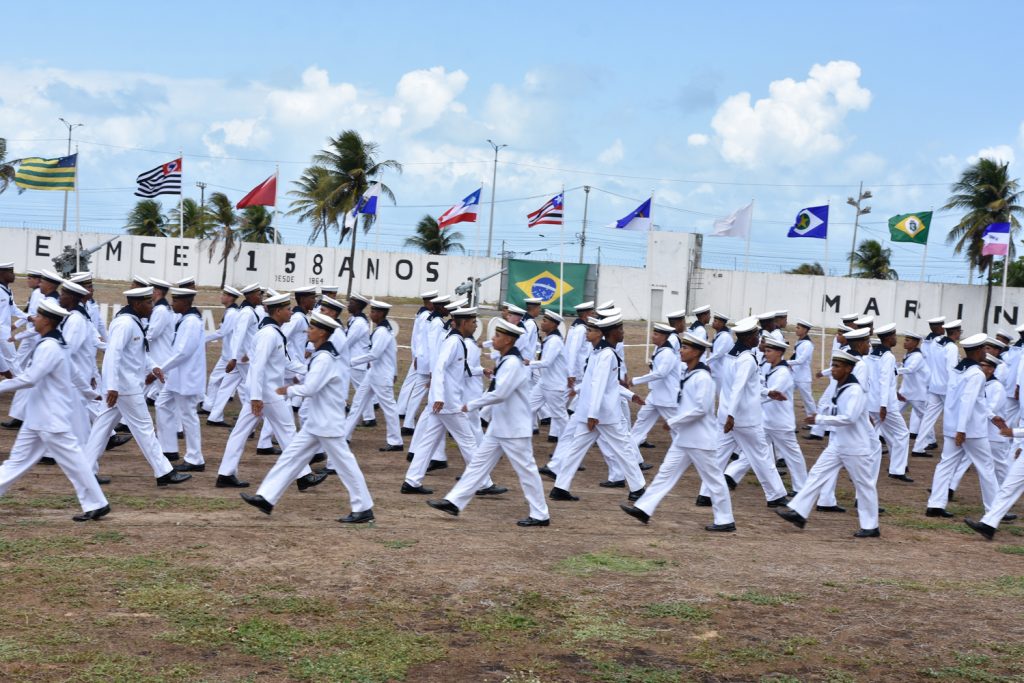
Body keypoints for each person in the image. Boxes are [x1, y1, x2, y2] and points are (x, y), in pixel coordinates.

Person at [241, 312, 374, 523]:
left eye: (312, 328)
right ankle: (266, 497)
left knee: (346, 466)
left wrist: (288, 390)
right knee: (290, 457)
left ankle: (364, 508)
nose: (307, 331)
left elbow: (311, 388)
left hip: (328, 423)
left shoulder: (324, 358)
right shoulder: (323, 355)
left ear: (322, 333)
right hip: (317, 422)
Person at [426, 319, 550, 527]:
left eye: (497, 336)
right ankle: (454, 502)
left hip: (514, 429)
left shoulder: (512, 363)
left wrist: (472, 404)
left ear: (509, 340)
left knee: (526, 471)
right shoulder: (506, 360)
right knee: (477, 465)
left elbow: (500, 394)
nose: (493, 339)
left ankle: (540, 514)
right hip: (500, 426)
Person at [0, 299, 111, 521]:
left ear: (48, 321)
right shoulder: (57, 343)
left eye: (39, 317)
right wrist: (92, 394)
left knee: (75, 462)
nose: (35, 320)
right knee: (16, 462)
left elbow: (31, 378)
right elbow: (75, 374)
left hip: (50, 418)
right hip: (39, 417)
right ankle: (97, 503)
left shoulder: (50, 346)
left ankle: (97, 503)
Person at [620, 332, 736, 531]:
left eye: (686, 348)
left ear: (698, 352)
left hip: (700, 438)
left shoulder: (704, 378)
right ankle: (644, 508)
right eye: (682, 347)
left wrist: (673, 421)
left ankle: (725, 520)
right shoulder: (688, 372)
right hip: (685, 438)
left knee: (714, 480)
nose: (681, 351)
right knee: (665, 473)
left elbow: (701, 409)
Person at [216, 292, 325, 491]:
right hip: (267, 394)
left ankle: (225, 473)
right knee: (288, 431)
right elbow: (257, 367)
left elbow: (284, 361)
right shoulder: (268, 334)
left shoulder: (273, 332)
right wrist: (257, 397)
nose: (291, 312)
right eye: (287, 309)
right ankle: (303, 475)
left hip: (262, 393)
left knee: (241, 432)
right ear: (277, 311)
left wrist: (308, 370)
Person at [83, 286, 191, 486]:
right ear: (137, 304)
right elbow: (113, 355)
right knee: (144, 428)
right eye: (148, 302)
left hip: (125, 385)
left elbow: (138, 352)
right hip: (124, 388)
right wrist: (112, 386)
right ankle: (164, 471)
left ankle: (86, 471)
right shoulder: (124, 324)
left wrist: (154, 366)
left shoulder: (133, 322)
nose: (152, 306)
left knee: (101, 427)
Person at [402, 306, 506, 496]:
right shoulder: (453, 342)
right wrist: (440, 396)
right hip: (448, 402)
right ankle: (483, 483)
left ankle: (412, 481)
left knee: (428, 442)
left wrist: (480, 371)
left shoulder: (458, 341)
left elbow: (460, 368)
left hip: (444, 401)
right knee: (468, 441)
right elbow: (439, 367)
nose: (476, 325)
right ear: (464, 323)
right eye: (473, 322)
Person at [776, 350, 881, 537]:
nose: (832, 370)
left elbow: (849, 418)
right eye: (832, 365)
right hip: (839, 444)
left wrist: (820, 420)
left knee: (864, 485)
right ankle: (799, 511)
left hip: (855, 446)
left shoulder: (855, 390)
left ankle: (870, 525)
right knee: (817, 473)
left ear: (849, 369)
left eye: (837, 366)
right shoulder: (842, 386)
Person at [547, 314, 647, 503]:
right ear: (611, 332)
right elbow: (598, 385)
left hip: (591, 413)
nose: (623, 333)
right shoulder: (606, 354)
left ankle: (560, 487)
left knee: (576, 449)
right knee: (624, 449)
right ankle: (638, 488)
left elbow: (605, 384)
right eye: (621, 329)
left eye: (590, 331)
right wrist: (593, 414)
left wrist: (630, 395)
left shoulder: (600, 353)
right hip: (603, 414)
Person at [709, 316, 790, 508]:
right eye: (756, 334)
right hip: (742, 418)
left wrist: (768, 392)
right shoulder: (747, 359)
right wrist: (732, 415)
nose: (758, 337)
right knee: (762, 456)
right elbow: (738, 388)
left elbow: (742, 387)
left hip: (729, 415)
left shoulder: (732, 355)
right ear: (748, 337)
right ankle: (776, 495)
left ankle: (705, 494)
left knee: (719, 456)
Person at [925, 333, 1004, 518]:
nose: (986, 352)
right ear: (978, 351)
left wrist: (991, 416)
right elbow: (968, 402)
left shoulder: (957, 369)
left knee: (946, 464)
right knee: (986, 468)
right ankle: (993, 511)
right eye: (984, 349)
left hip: (954, 426)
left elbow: (972, 402)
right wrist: (962, 430)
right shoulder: (976, 373)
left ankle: (935, 504)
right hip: (971, 430)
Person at [726, 336, 808, 494]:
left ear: (779, 353)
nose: (766, 354)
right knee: (755, 450)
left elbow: (771, 395)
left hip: (781, 423)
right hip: (767, 421)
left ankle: (801, 488)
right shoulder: (771, 368)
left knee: (793, 456)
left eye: (770, 351)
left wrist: (752, 400)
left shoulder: (783, 372)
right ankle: (730, 475)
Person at [154, 288, 208, 472]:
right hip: (177, 376)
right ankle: (169, 449)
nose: (172, 303)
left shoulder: (192, 321)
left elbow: (183, 352)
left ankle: (195, 458)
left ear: (185, 302)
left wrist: (160, 368)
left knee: (188, 415)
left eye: (175, 300)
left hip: (187, 376)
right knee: (162, 404)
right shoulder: (184, 319)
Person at [344, 299, 403, 450]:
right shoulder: (383, 329)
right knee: (357, 404)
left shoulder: (382, 331)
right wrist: (395, 372)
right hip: (374, 373)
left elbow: (374, 354)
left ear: (381, 314)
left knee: (389, 408)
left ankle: (396, 441)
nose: (371, 314)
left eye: (374, 312)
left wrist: (351, 362)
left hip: (381, 375)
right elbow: (393, 351)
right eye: (371, 311)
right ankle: (344, 436)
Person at [207, 282, 263, 428]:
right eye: (258, 294)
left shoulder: (246, 311)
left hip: (240, 358)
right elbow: (239, 335)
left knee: (226, 387)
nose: (261, 297)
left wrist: (234, 357)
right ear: (251, 296)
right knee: (252, 389)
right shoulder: (247, 313)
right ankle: (249, 424)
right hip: (244, 359)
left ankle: (215, 416)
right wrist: (234, 357)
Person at [869, 324, 912, 482]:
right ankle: (897, 469)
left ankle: (895, 467)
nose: (896, 338)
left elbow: (875, 380)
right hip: (885, 405)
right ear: (888, 338)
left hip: (872, 402)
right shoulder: (888, 357)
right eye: (894, 336)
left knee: (875, 435)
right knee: (902, 433)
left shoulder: (872, 355)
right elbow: (885, 381)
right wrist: (884, 405)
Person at [912, 319, 962, 456]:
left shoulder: (937, 343)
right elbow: (951, 370)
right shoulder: (951, 347)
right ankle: (953, 450)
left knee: (928, 418)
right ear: (956, 333)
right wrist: (955, 389)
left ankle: (918, 447)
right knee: (953, 420)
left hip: (934, 386)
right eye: (960, 332)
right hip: (947, 388)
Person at [629, 323, 682, 448]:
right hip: (655, 396)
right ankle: (631, 456)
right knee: (640, 423)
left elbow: (660, 373)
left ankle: (689, 452)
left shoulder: (667, 353)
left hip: (667, 397)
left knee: (678, 430)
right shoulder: (660, 349)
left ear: (664, 336)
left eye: (656, 334)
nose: (653, 336)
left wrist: (635, 380)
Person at [396, 289, 437, 428]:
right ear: (430, 303)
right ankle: (403, 413)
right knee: (416, 386)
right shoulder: (427, 317)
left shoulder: (422, 314)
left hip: (419, 355)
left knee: (410, 383)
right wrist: (417, 356)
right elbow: (422, 339)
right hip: (423, 357)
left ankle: (401, 409)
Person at [526, 310, 570, 442]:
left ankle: (569, 446)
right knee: (527, 407)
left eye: (545, 321)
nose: (542, 323)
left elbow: (547, 362)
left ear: (554, 324)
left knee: (560, 418)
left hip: (554, 386)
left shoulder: (555, 341)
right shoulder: (550, 339)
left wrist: (529, 363)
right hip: (544, 383)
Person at [200, 286, 242, 417]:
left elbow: (223, 332)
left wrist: (203, 338)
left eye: (224, 295)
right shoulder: (231, 311)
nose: (221, 297)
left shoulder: (232, 313)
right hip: (228, 355)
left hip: (231, 356)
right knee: (215, 379)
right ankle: (209, 407)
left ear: (230, 297)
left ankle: (213, 410)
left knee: (240, 387)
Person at [897, 331, 930, 447]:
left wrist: (896, 371)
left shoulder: (918, 356)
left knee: (925, 417)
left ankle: (930, 441)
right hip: (905, 391)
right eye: (905, 339)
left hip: (917, 393)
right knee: (893, 412)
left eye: (908, 340)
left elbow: (910, 369)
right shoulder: (908, 354)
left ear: (916, 343)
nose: (904, 342)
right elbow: (903, 367)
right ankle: (882, 435)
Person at [144, 278, 174, 403]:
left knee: (168, 396)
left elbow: (152, 333)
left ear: (156, 292)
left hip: (160, 358)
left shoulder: (161, 310)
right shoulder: (161, 308)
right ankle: (124, 421)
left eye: (150, 290)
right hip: (156, 357)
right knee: (139, 388)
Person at [789, 319, 816, 420]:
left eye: (798, 328)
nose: (796, 329)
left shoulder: (808, 344)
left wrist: (787, 363)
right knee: (787, 395)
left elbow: (801, 360)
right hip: (794, 375)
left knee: (808, 400)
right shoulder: (799, 341)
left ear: (805, 330)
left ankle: (814, 421)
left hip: (803, 377)